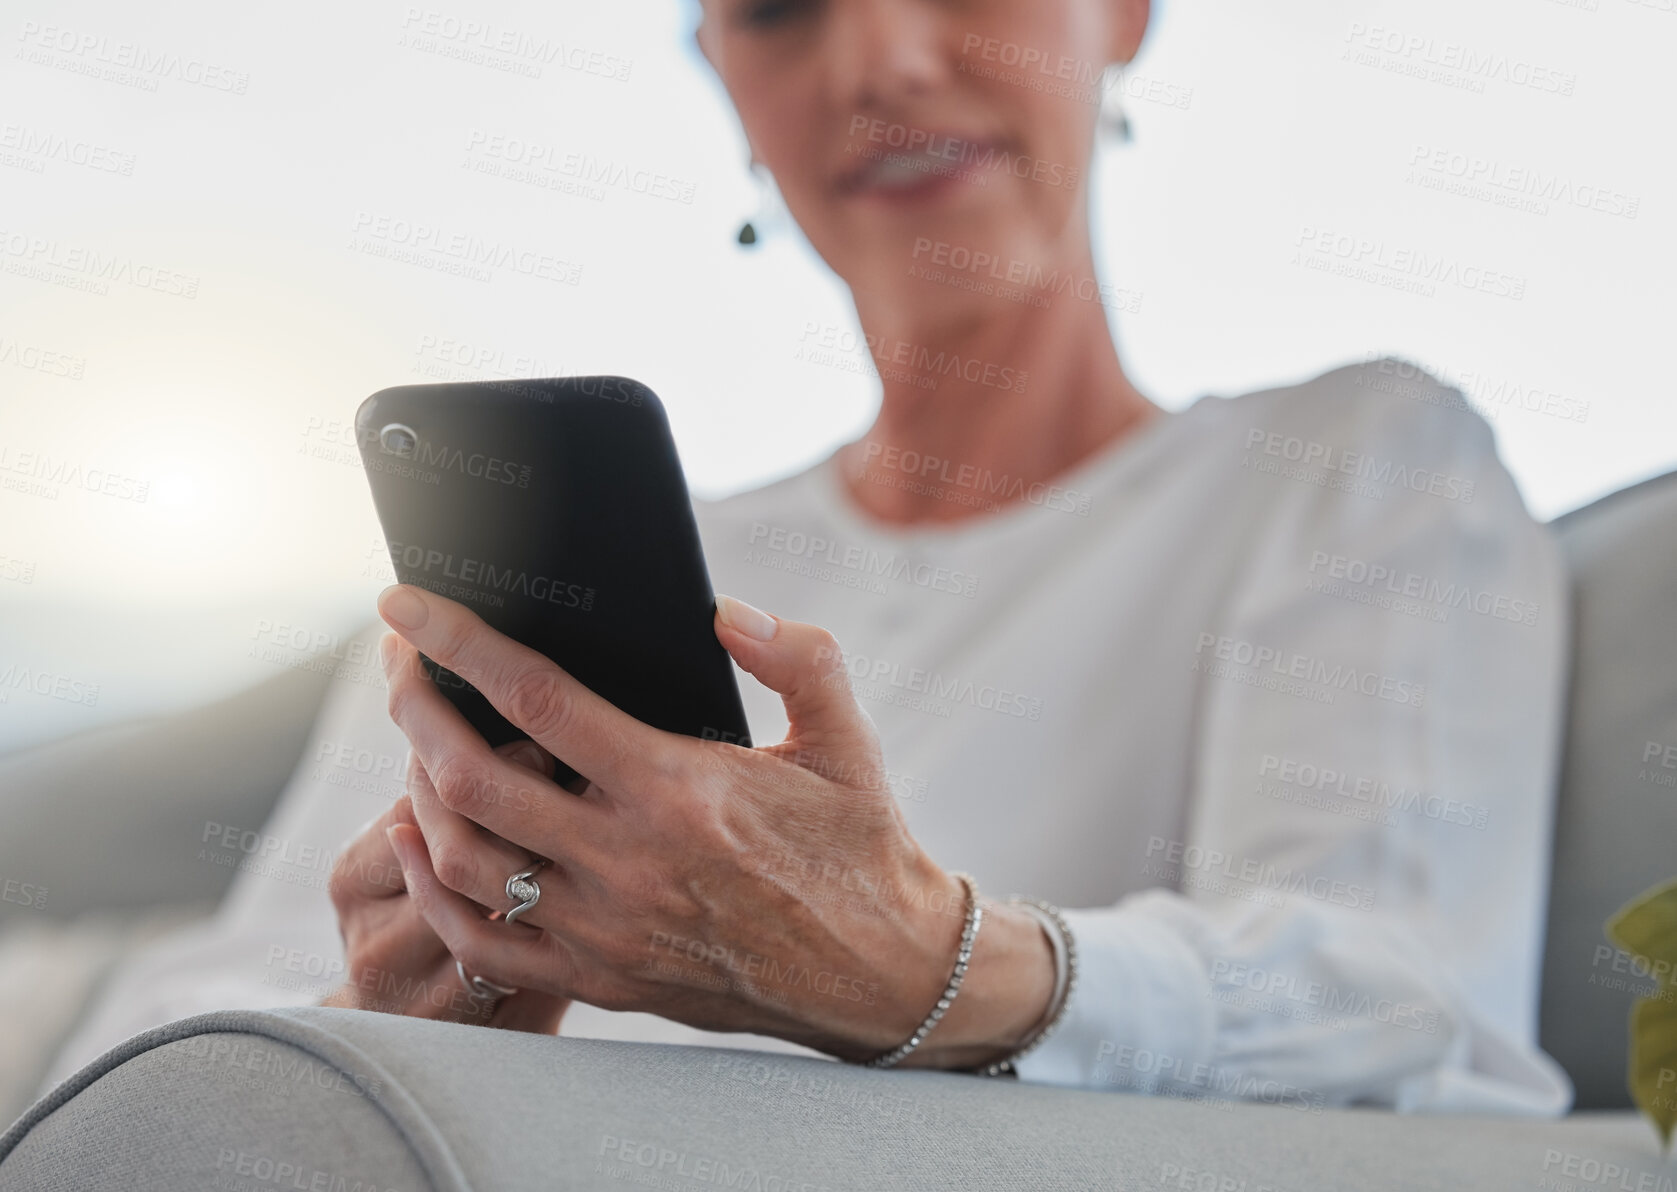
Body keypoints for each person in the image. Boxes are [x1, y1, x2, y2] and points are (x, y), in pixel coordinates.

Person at [45, 0, 1572, 1112]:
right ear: (723, 76)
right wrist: (380, 1015)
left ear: (1126, 14)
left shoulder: (1355, 467)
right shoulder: (573, 575)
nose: (881, 61)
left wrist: (924, 965)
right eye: (779, 9)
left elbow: (1395, 996)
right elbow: (170, 1021)